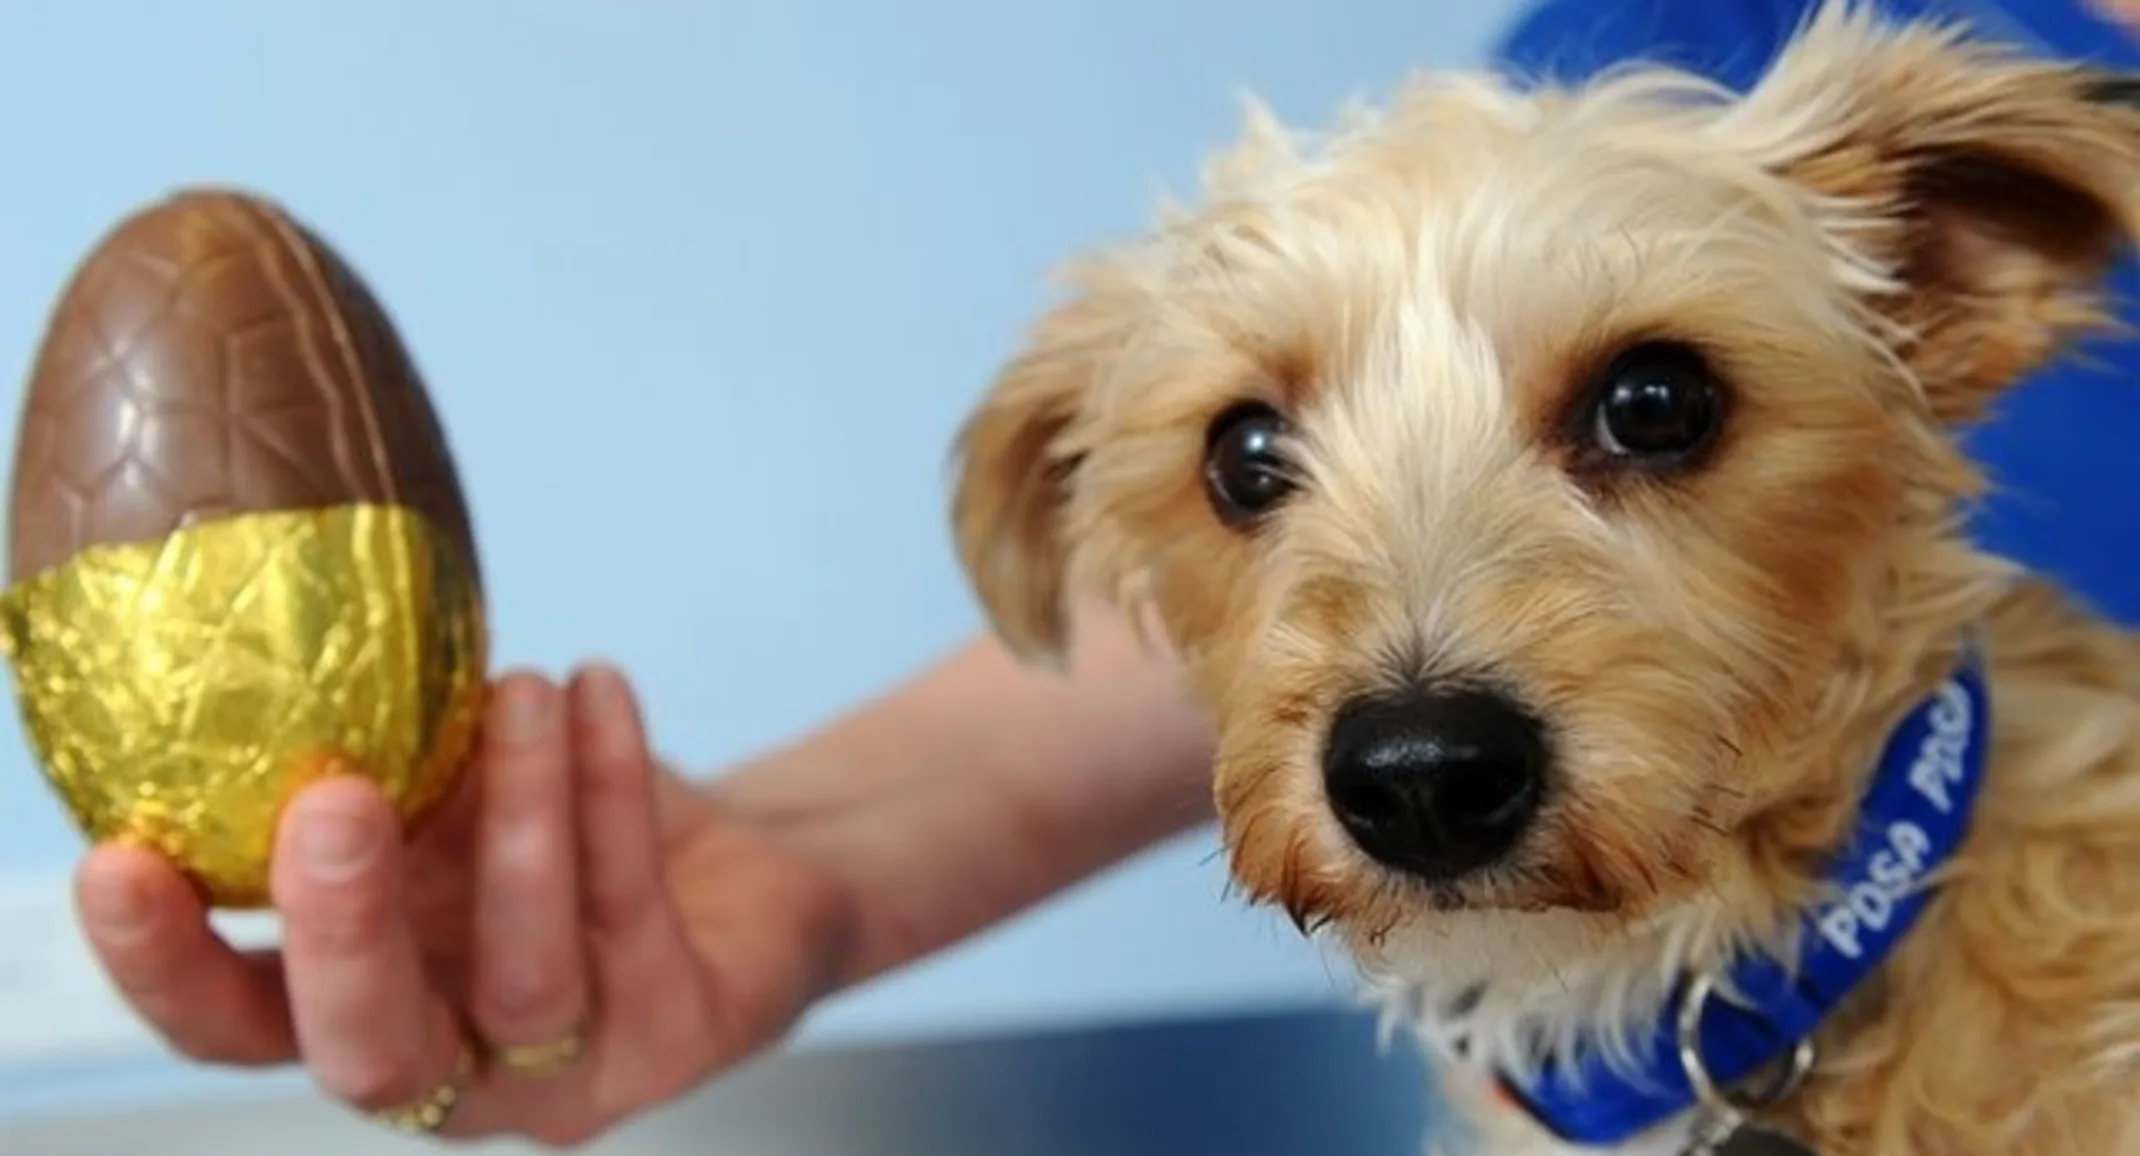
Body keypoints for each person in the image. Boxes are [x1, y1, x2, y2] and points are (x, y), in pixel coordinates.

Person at [73, 0, 2140, 1145]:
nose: (1416, 696)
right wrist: (772, 858)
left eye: (1651, 411)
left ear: (1959, 279)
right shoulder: (1649, 34)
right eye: (1251, 458)